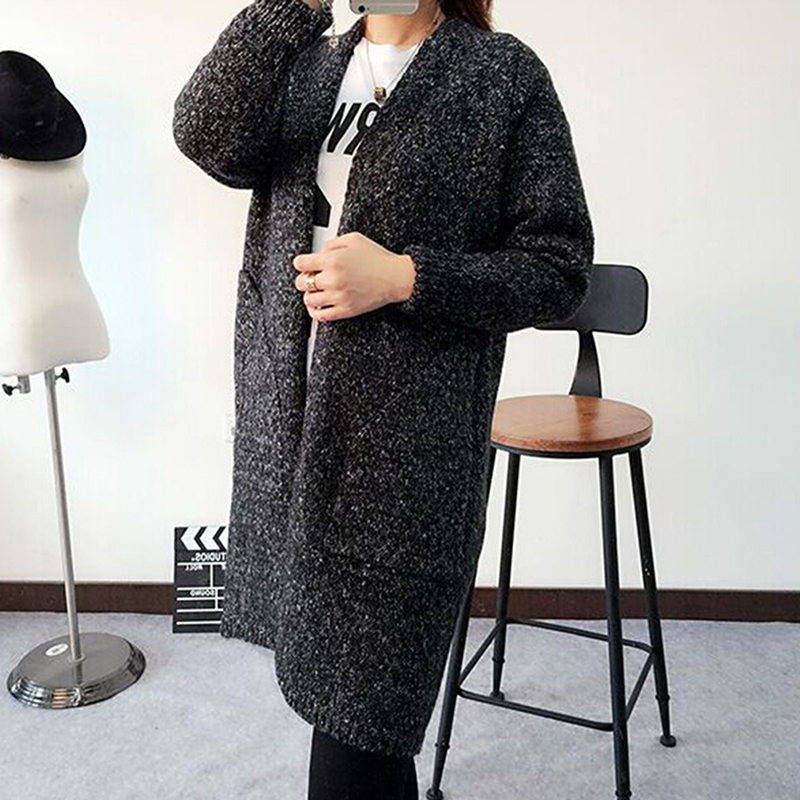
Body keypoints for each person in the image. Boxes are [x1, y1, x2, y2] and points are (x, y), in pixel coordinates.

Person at [172, 1, 594, 797]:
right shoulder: (304, 67)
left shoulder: (501, 76)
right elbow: (203, 131)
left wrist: (407, 277)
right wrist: (295, 6)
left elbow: (558, 267)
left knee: (363, 710)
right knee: (340, 697)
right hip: (289, 425)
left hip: (407, 446)